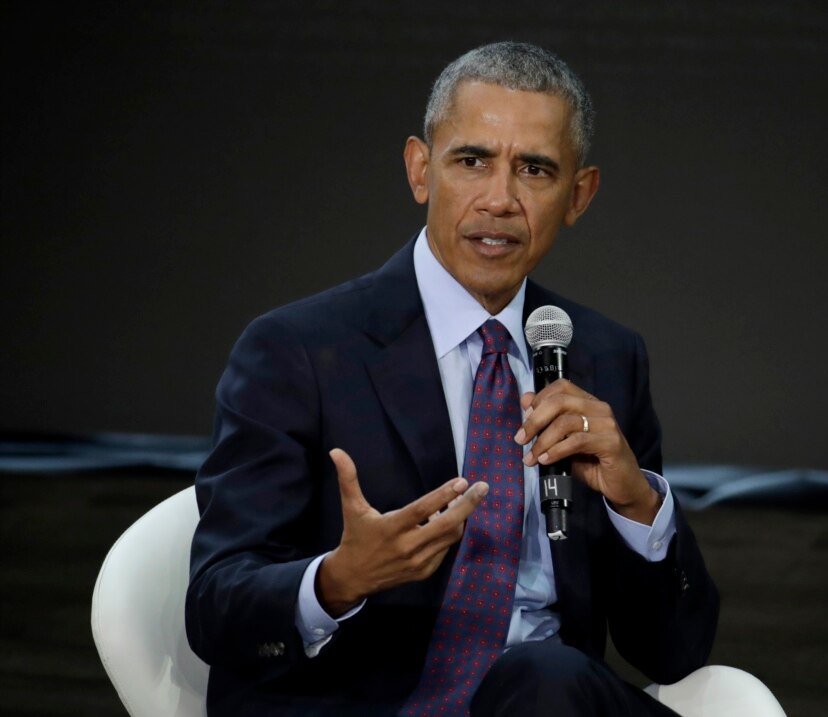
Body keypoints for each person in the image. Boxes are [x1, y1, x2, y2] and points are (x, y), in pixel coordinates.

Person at [186, 41, 719, 717]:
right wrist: (337, 581)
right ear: (420, 170)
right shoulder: (295, 351)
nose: (498, 199)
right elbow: (214, 606)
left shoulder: (605, 359)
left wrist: (637, 504)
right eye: (471, 161)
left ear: (578, 196)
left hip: (547, 703)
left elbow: (675, 653)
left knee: (546, 679)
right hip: (366, 702)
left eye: (534, 170)